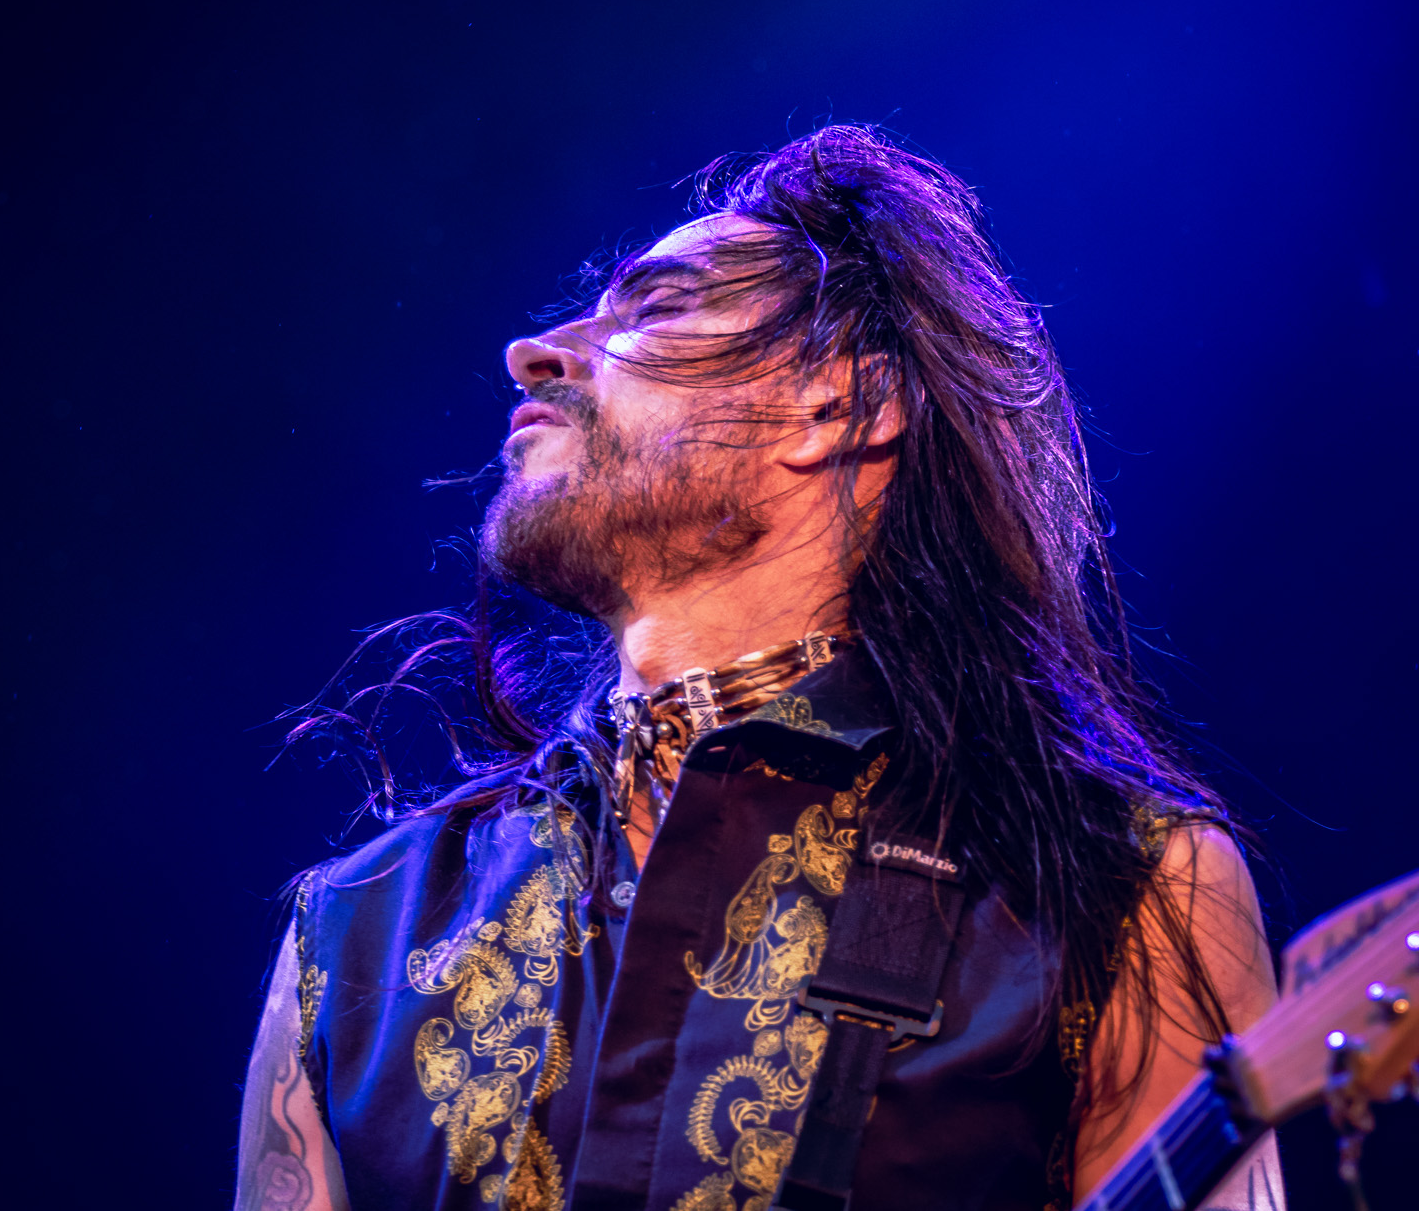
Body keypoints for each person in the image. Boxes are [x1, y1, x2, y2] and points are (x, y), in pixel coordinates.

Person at [233, 125, 1284, 1211]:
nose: (535, 352)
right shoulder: (357, 925)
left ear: (843, 408)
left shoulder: (1116, 888)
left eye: (655, 310)